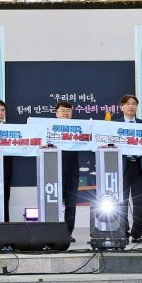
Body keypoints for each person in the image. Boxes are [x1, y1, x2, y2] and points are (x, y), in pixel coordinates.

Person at [115, 94, 142, 244]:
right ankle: (123, 231)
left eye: (134, 103)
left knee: (139, 202)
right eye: (128, 103)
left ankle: (137, 233)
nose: (131, 106)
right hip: (122, 166)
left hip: (139, 166)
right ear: (121, 107)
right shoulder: (114, 125)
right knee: (121, 202)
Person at [55, 101, 79, 241]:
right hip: (53, 169)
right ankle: (54, 231)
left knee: (71, 203)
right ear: (56, 113)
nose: (66, 113)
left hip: (72, 170)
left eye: (68, 111)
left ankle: (68, 232)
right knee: (54, 202)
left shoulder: (78, 128)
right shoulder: (48, 128)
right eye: (63, 110)